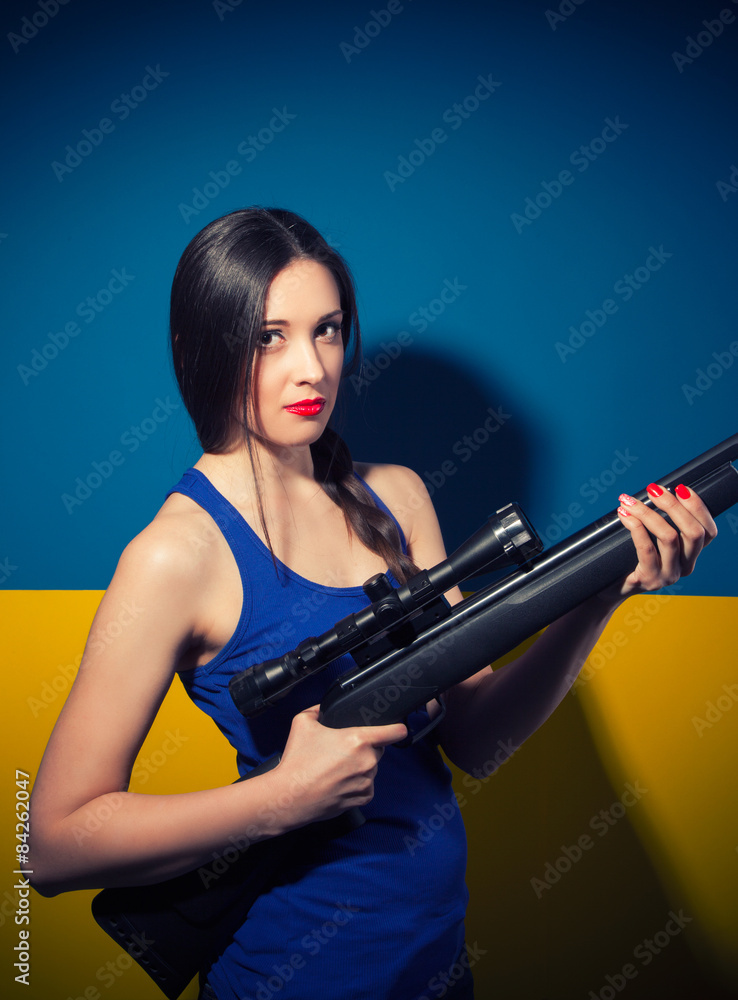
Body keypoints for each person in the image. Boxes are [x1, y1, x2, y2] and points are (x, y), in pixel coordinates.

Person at [29, 208, 717, 1000]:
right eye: (268, 337)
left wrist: (596, 599)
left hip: (438, 964)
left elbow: (476, 740)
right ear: (199, 350)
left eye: (326, 331)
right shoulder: (173, 556)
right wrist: (277, 801)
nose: (312, 369)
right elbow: (50, 846)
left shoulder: (397, 499)